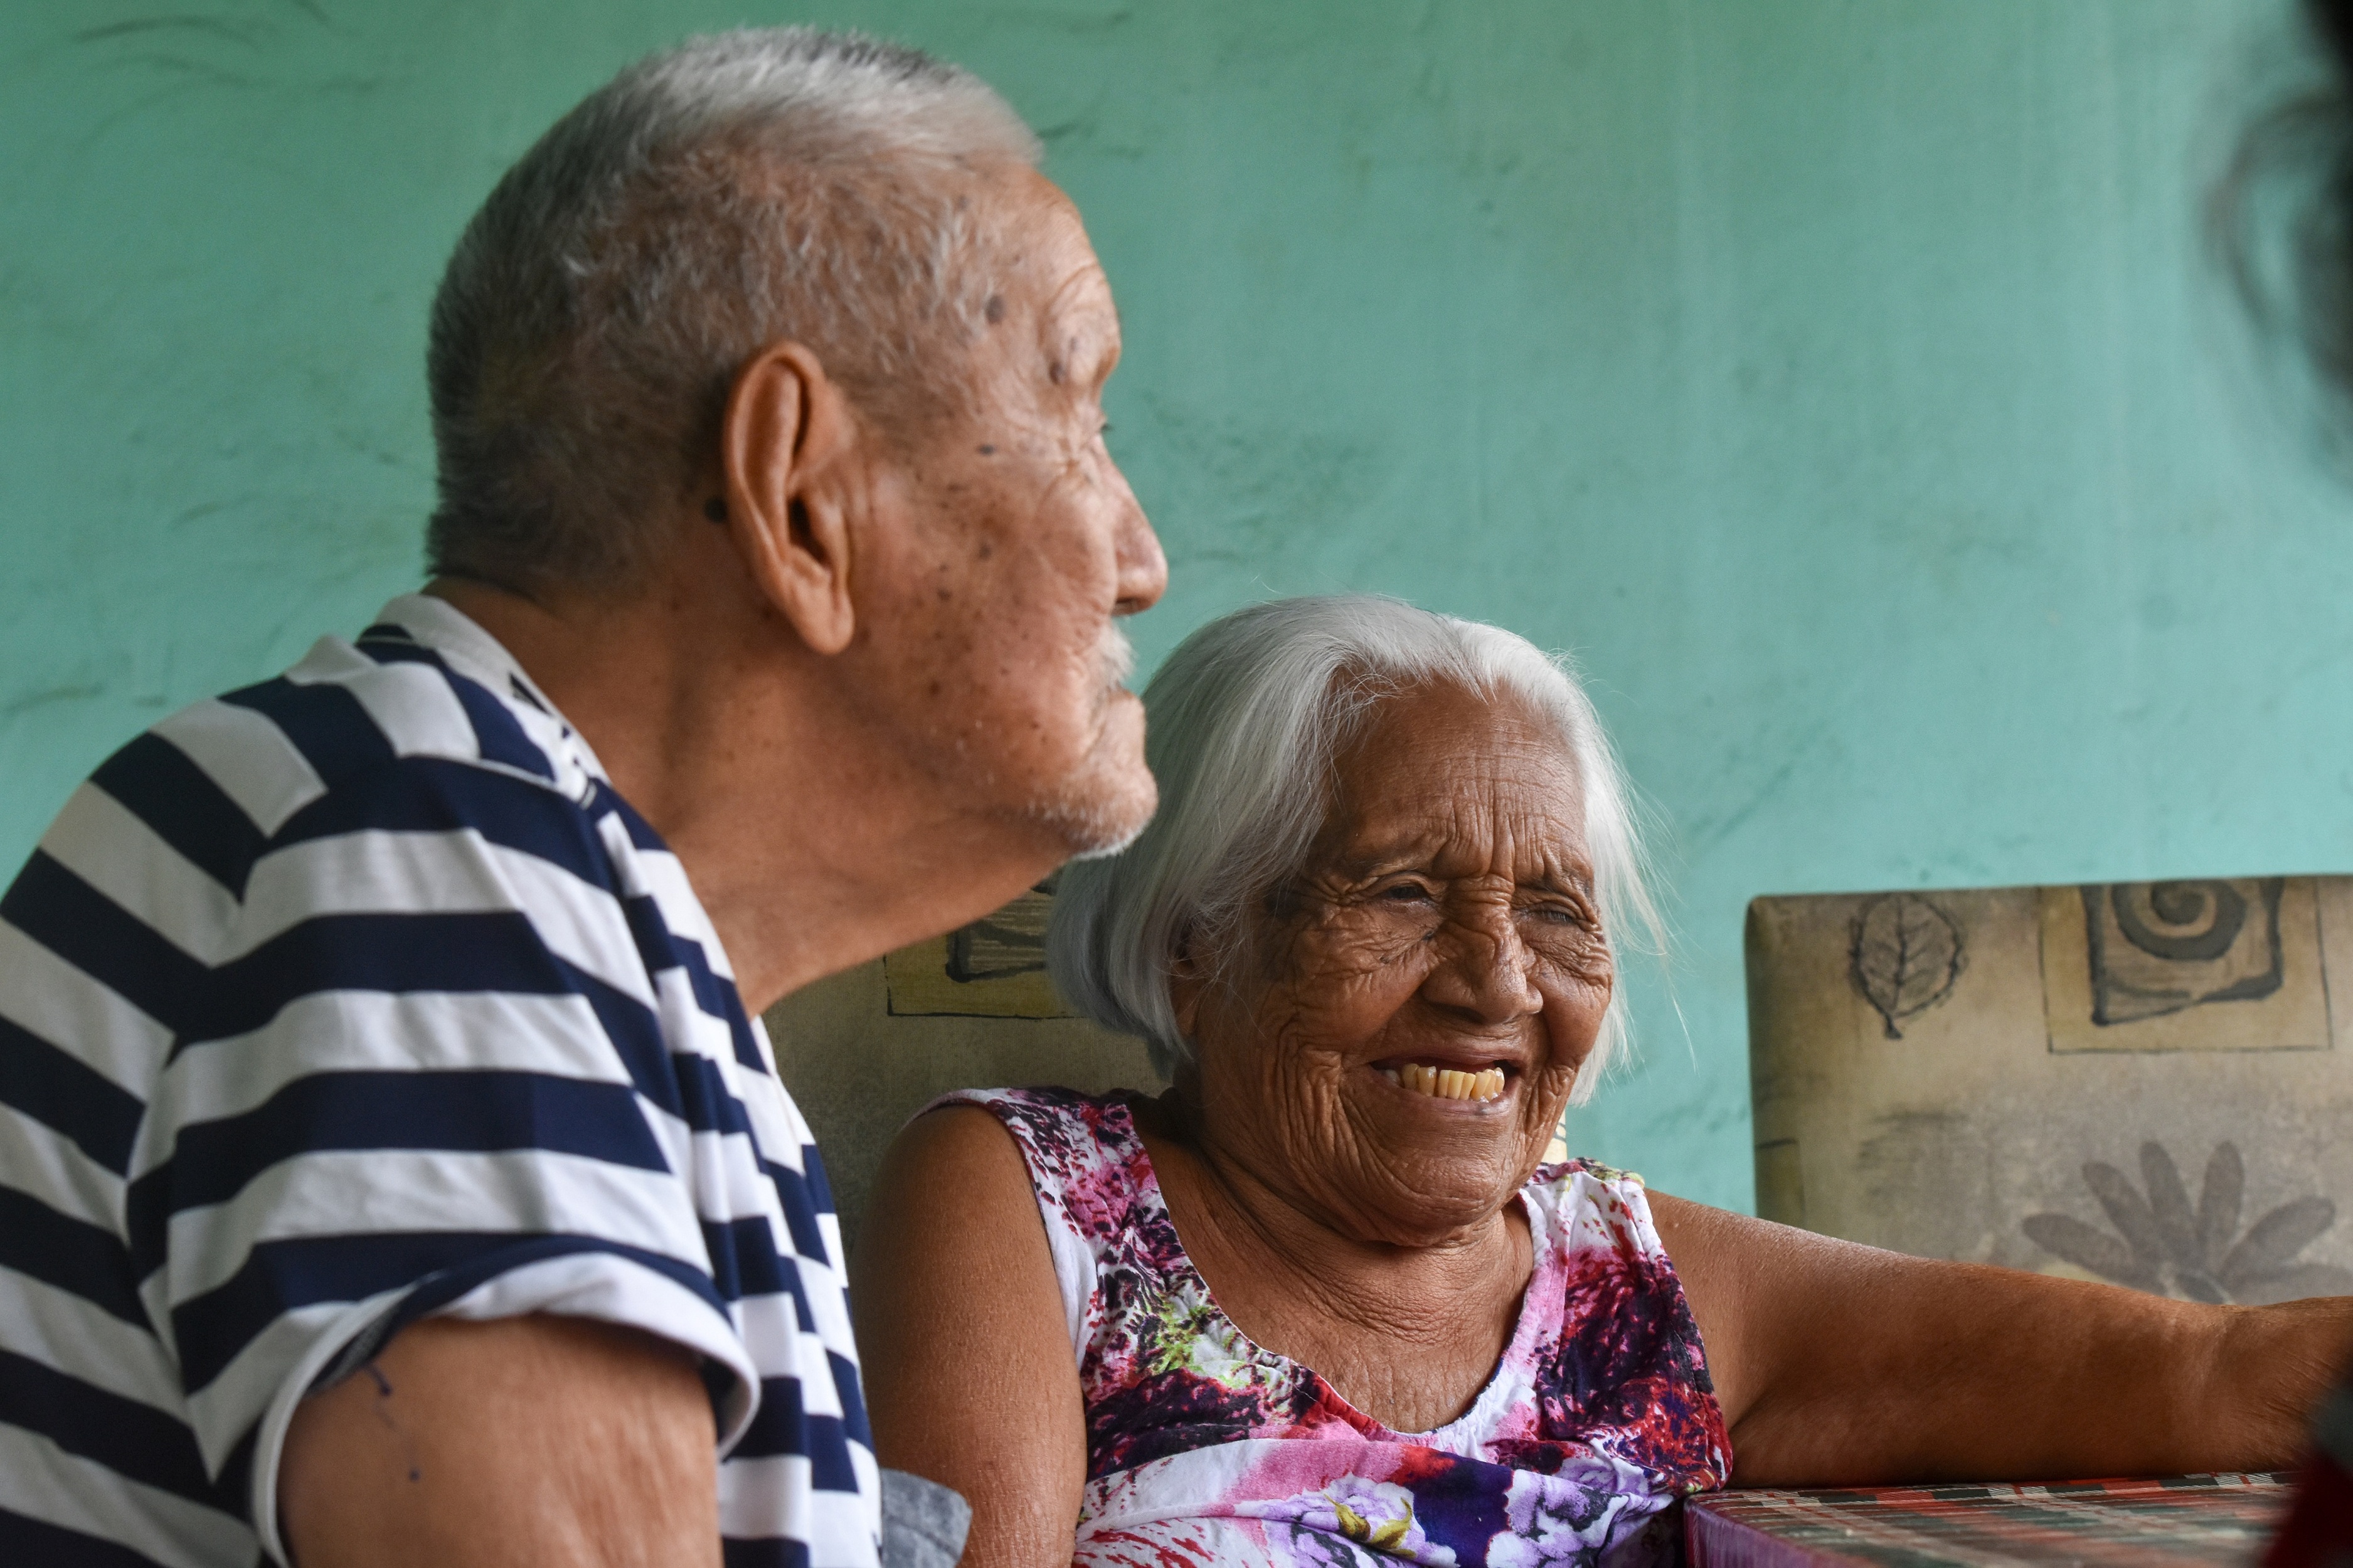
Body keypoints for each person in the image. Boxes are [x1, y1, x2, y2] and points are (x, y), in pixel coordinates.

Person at [0, 26, 1165, 1568]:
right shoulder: (428, 860)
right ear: (801, 494)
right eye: (1079, 413)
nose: (1138, 552)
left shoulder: (519, 893)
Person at [852, 595, 2353, 1568]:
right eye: (1399, 893)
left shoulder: (1640, 1284)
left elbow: (2199, 1378)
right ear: (1196, 944)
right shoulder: (1028, 1201)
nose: (1498, 982)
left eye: (1558, 910)